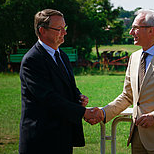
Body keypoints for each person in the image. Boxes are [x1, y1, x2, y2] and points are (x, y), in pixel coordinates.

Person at [89, 9, 154, 153]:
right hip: (137, 139)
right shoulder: (134, 57)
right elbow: (128, 95)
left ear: (151, 30)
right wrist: (104, 113)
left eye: (135, 28)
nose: (131, 32)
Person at [19, 9, 102, 154]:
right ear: (42, 31)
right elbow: (48, 98)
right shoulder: (32, 60)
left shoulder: (61, 55)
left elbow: (66, 86)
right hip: (41, 141)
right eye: (59, 29)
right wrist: (83, 112)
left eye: (65, 28)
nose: (64, 33)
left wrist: (78, 97)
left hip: (62, 137)